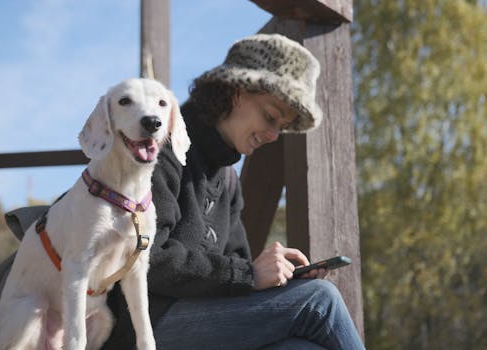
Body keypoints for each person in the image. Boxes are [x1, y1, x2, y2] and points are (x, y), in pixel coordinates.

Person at [102, 34, 365, 350]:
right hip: (138, 327)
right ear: (236, 91)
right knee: (318, 301)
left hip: (195, 324)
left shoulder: (227, 179)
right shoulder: (157, 150)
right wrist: (248, 274)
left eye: (281, 127)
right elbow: (147, 258)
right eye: (270, 116)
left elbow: (237, 272)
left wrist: (281, 280)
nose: (272, 135)